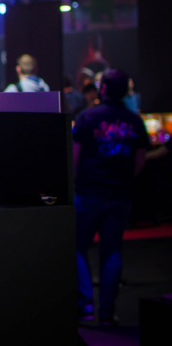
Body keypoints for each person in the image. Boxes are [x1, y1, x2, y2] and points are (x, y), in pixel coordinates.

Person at [73, 69, 149, 325]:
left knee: (77, 247)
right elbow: (139, 163)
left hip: (88, 192)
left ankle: (85, 309)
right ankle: (107, 313)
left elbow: (74, 158)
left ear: (102, 89)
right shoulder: (134, 121)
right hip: (119, 195)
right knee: (112, 252)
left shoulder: (87, 117)